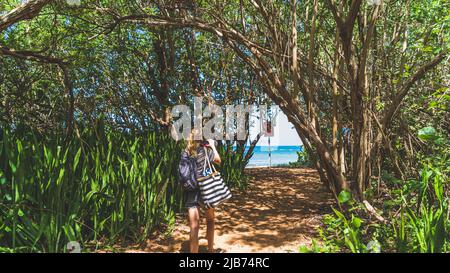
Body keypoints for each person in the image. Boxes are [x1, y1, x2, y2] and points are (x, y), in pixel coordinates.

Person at [184, 133, 221, 253]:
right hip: (207, 189)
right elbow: (218, 161)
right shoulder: (206, 151)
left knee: (194, 226)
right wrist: (213, 146)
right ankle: (210, 250)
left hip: (191, 190)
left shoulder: (186, 152)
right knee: (210, 220)